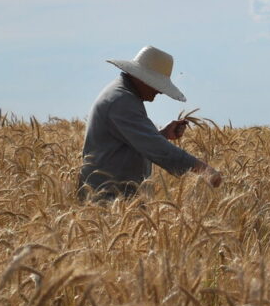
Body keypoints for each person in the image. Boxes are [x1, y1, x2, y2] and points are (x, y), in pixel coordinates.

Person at [78, 45, 223, 201]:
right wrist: (205, 171)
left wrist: (162, 134)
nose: (160, 91)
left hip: (114, 202)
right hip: (107, 202)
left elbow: (133, 144)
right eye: (157, 84)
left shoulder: (123, 96)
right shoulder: (122, 101)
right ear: (141, 77)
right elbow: (158, 149)